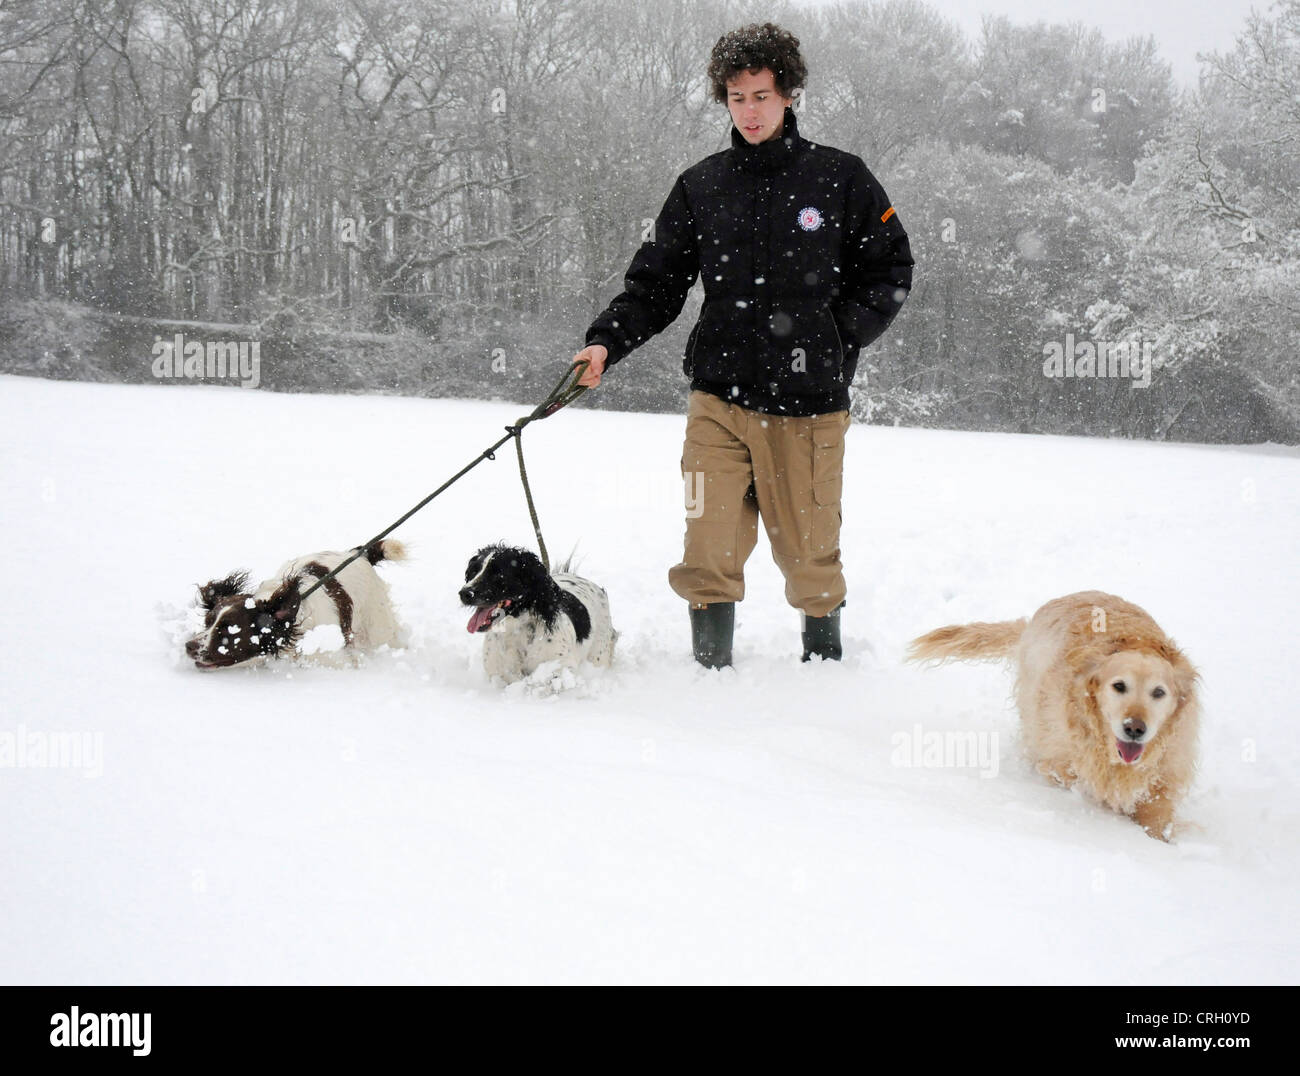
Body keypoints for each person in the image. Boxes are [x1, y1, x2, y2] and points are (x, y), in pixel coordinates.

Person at [571, 22, 913, 669]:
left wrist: (838, 334)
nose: (749, 111)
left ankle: (825, 669)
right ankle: (711, 676)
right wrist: (604, 344)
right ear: (723, 100)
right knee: (708, 542)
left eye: (761, 95)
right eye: (737, 98)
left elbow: (892, 270)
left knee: (810, 558)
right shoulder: (702, 186)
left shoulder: (841, 179)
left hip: (809, 407)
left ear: (789, 95)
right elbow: (656, 284)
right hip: (718, 401)